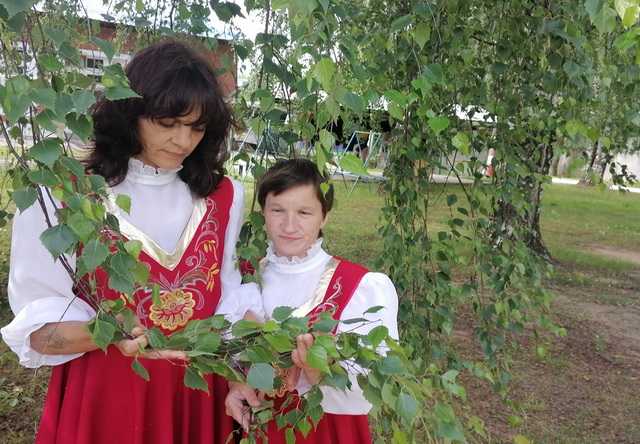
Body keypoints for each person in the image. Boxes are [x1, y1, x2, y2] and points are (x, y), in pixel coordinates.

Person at [1, 40, 260, 444]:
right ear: (130, 112)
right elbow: (38, 331)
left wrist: (240, 374)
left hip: (197, 392)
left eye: (196, 127)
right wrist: (104, 332)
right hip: (107, 396)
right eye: (168, 123)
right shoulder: (63, 193)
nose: (183, 141)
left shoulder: (223, 196)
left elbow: (226, 300)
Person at [225, 158, 399, 443]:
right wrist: (235, 381)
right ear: (263, 211)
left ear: (324, 216)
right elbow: (224, 355)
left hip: (327, 431)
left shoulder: (359, 286)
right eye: (277, 210)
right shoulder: (246, 278)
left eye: (304, 212)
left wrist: (318, 372)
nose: (289, 225)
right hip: (259, 427)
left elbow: (374, 389)